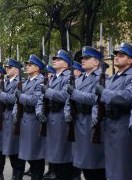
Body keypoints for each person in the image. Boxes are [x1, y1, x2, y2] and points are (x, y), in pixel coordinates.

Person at [95, 42, 132, 180]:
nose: (116, 57)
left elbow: (127, 97)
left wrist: (104, 92)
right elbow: (99, 102)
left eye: (121, 55)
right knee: (111, 169)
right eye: (116, 55)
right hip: (109, 126)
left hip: (123, 127)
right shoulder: (112, 78)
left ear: (130, 60)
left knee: (123, 170)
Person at [36, 50, 78, 180]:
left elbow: (64, 96)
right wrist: (39, 111)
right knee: (55, 157)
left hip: (61, 118)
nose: (54, 60)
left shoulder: (69, 78)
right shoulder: (53, 77)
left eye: (58, 59)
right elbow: (41, 98)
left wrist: (47, 91)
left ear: (66, 64)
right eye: (54, 58)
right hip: (51, 118)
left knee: (63, 157)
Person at [66, 46, 106, 180]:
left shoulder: (102, 77)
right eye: (82, 58)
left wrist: (75, 93)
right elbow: (68, 99)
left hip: (91, 121)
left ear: (96, 62)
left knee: (95, 165)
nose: (83, 60)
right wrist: (68, 112)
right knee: (84, 164)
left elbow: (96, 98)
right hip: (78, 122)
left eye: (87, 58)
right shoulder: (79, 79)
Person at [12, 55, 46, 180]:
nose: (27, 67)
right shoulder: (26, 81)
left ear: (37, 68)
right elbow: (17, 101)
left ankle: (37, 177)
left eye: (30, 65)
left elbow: (35, 100)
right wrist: (15, 113)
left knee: (36, 153)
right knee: (27, 153)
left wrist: (21, 96)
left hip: (34, 120)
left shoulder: (41, 81)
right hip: (25, 119)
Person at [0, 58, 24, 180]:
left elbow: (15, 99)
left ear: (17, 70)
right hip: (5, 115)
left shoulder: (20, 82)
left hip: (15, 116)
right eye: (7, 67)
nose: (7, 69)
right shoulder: (6, 82)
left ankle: (18, 175)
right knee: (9, 149)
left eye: (10, 67)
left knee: (16, 148)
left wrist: (3, 95)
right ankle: (14, 173)